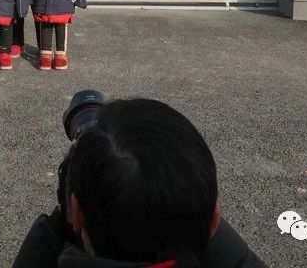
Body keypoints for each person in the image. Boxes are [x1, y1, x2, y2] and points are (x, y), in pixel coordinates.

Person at [13, 98, 267, 268]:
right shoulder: (211, 226)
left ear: (77, 213)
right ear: (214, 220)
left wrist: (60, 221)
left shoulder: (71, 220)